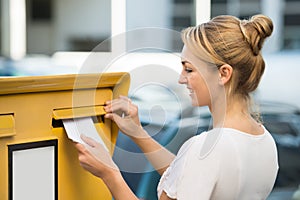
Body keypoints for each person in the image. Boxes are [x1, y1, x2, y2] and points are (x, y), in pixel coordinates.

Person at [74, 14, 278, 200]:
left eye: (189, 69)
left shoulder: (205, 149)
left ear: (224, 74)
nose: (181, 79)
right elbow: (190, 176)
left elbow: (198, 168)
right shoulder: (266, 142)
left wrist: (109, 173)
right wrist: (138, 133)